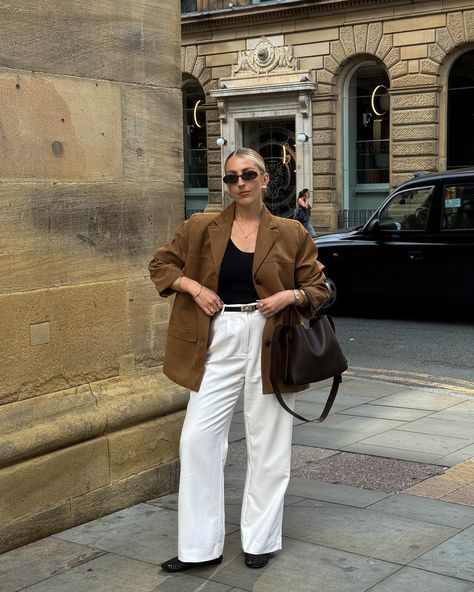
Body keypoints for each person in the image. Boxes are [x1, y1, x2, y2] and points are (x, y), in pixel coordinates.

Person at [149, 147, 328, 573]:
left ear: (266, 180)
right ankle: (198, 546)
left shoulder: (290, 232)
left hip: (272, 337)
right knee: (197, 440)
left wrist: (291, 295)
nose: (240, 183)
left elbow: (319, 288)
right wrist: (193, 287)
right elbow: (161, 264)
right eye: (231, 177)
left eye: (249, 174)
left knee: (268, 444)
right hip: (216, 335)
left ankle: (260, 539)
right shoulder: (201, 227)